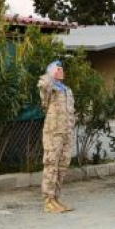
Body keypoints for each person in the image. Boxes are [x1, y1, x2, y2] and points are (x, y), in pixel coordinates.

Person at [38, 60, 75, 214]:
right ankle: (48, 200)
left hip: (66, 133)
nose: (61, 71)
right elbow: (43, 87)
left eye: (61, 69)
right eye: (57, 69)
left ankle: (56, 198)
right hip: (53, 133)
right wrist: (49, 75)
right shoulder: (49, 87)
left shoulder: (67, 90)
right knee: (51, 165)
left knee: (62, 166)